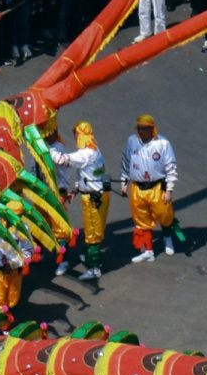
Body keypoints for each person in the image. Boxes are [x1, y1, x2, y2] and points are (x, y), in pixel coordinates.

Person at [119, 114, 181, 263]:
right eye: (139, 129)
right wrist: (123, 183)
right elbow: (125, 162)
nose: (141, 132)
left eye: (144, 129)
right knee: (141, 220)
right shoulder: (132, 141)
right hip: (137, 189)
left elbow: (170, 166)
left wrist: (169, 190)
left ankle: (167, 237)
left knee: (164, 215)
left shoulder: (162, 144)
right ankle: (148, 251)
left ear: (152, 129)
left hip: (156, 188)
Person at [53, 121, 109, 281]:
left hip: (93, 198)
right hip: (99, 195)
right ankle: (89, 258)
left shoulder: (85, 154)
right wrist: (75, 191)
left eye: (75, 132)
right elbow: (92, 175)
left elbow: (61, 160)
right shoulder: (95, 150)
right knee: (92, 230)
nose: (74, 135)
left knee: (92, 234)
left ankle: (94, 268)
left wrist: (45, 149)